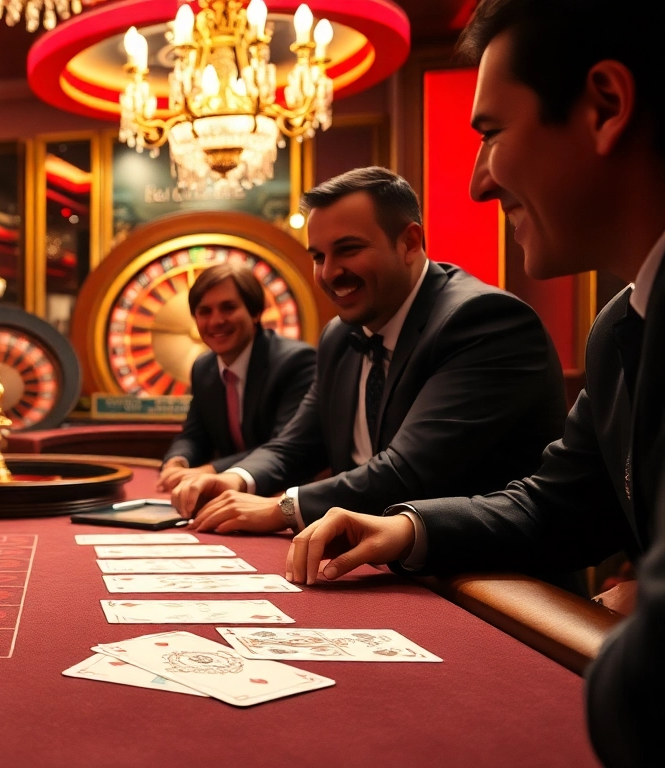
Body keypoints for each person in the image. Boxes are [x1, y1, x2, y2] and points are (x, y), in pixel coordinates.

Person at [277, 2, 664, 764]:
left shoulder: (489, 321)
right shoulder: (623, 325)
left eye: (490, 132)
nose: (480, 182)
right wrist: (408, 528)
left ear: (606, 108)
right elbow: (558, 504)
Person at [171, 167, 566, 535]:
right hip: (370, 561)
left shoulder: (481, 321)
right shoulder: (339, 336)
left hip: (486, 583)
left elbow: (409, 471)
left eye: (348, 249)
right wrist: (236, 478)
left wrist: (283, 508)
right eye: (319, 256)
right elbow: (296, 444)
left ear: (410, 242)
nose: (329, 273)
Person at [156, 261, 316, 493]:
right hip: (232, 495)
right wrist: (177, 462)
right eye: (204, 311)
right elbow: (193, 435)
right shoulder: (203, 367)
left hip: (286, 495)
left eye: (228, 308)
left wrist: (210, 470)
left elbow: (284, 447)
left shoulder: (294, 362)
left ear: (255, 313)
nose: (216, 321)